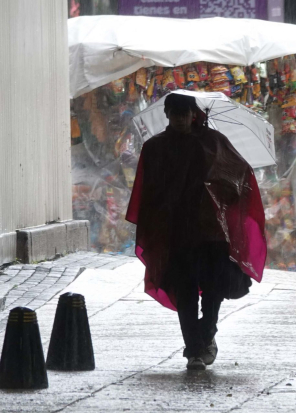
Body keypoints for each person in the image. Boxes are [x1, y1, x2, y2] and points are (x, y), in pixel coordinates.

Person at [126, 93, 266, 370]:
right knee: (185, 289)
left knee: (213, 288)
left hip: (211, 231)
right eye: (174, 113)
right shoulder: (156, 147)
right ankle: (194, 347)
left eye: (184, 113)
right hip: (176, 231)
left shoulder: (214, 143)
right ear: (167, 115)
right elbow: (149, 191)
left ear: (194, 114)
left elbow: (239, 178)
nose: (179, 118)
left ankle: (206, 335)